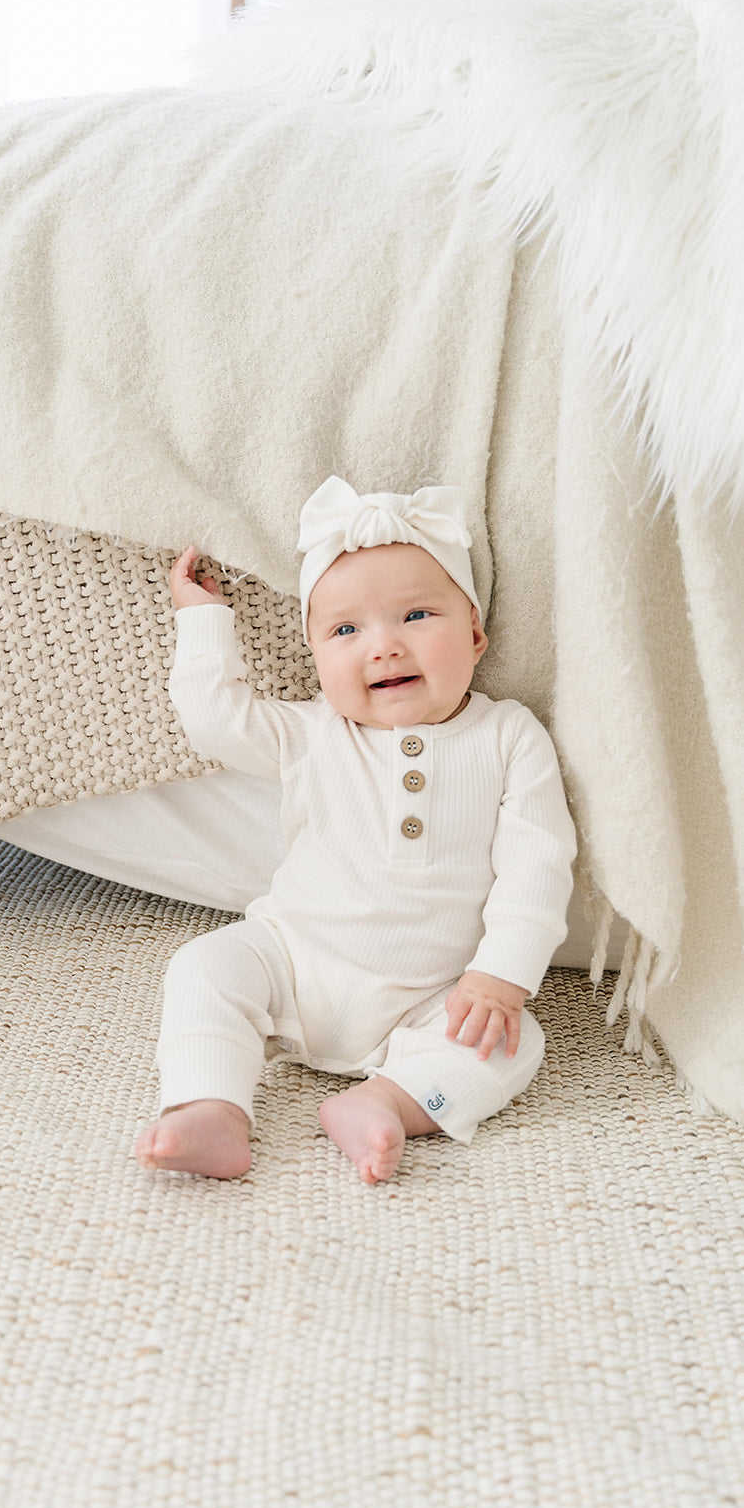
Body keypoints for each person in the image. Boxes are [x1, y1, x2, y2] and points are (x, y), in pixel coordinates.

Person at [134, 477, 576, 1184]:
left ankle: (385, 1102)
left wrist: (501, 976)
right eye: (345, 630)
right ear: (315, 657)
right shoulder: (314, 734)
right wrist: (203, 619)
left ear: (473, 633)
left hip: (433, 993)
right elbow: (217, 719)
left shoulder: (508, 736)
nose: (384, 647)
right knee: (205, 966)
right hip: (292, 961)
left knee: (512, 1046)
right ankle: (210, 1107)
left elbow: (539, 863)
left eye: (416, 615)